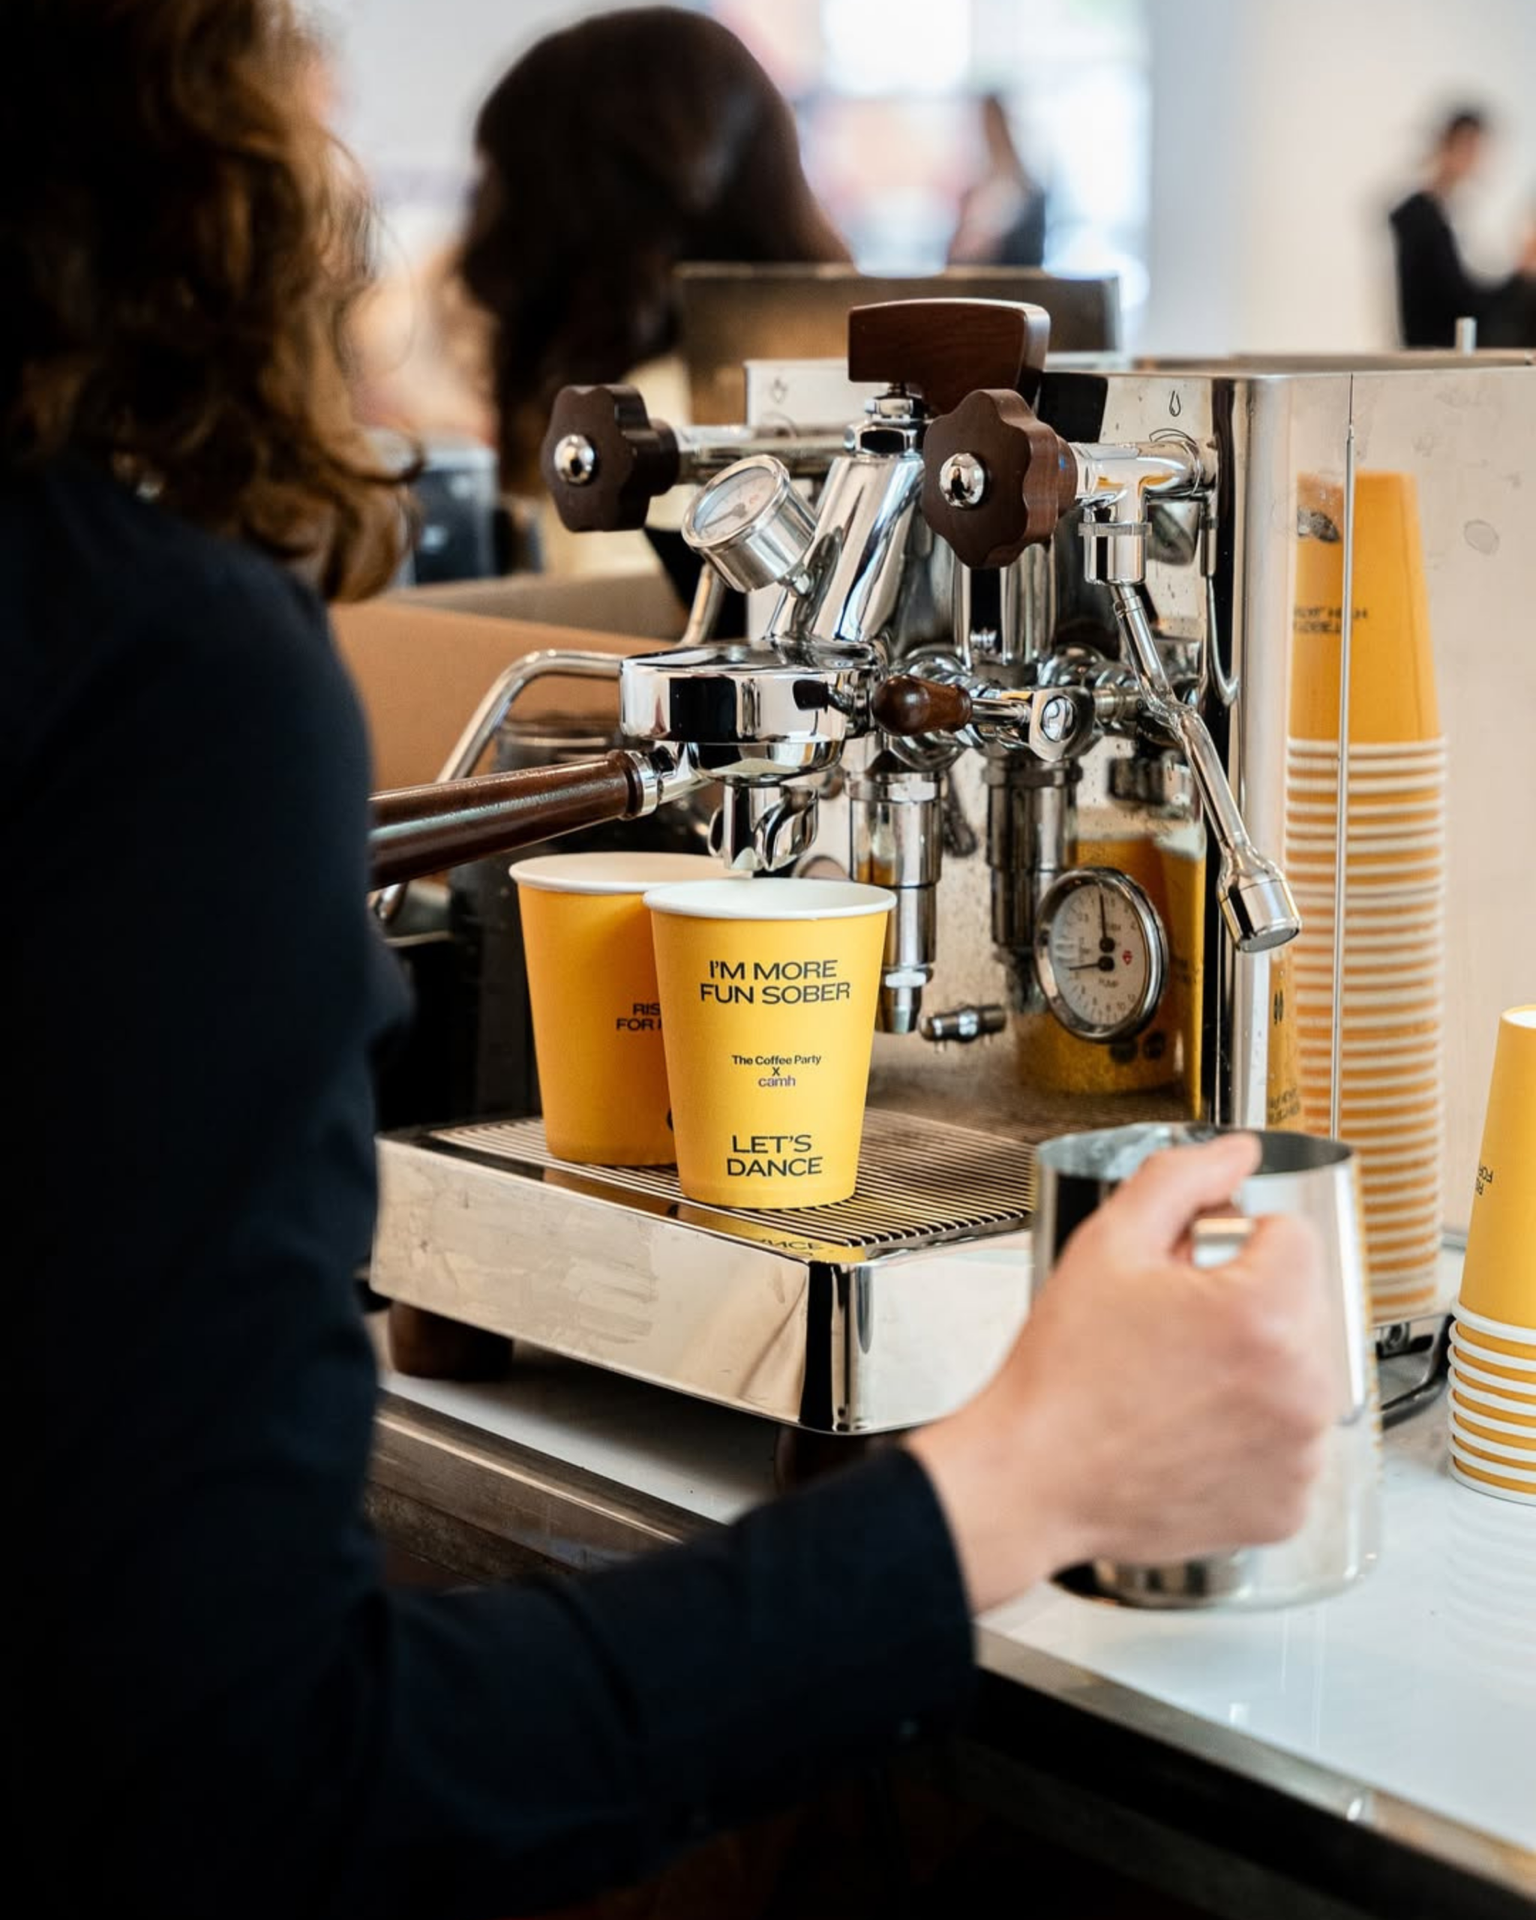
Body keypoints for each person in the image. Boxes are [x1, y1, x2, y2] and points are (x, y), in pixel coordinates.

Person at [9, 5, 1334, 1918]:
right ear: (179, 127)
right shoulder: (153, 670)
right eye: (291, 43)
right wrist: (1023, 1477)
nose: (333, 113)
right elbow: (250, 1784)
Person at [1388, 107, 1536, 348]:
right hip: (1436, 350)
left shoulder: (1432, 214)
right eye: (1474, 150)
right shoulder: (1421, 217)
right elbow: (1462, 304)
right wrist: (1519, 276)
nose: (1478, 161)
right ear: (1453, 146)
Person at [947, 93, 1049, 269]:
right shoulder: (973, 192)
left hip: (1011, 282)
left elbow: (1030, 255)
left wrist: (993, 241)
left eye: (989, 124)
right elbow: (953, 256)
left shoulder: (1029, 193)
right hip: (971, 281)